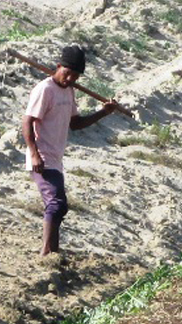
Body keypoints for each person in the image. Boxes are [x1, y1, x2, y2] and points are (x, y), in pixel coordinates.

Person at [22, 45, 122, 256]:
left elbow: (75, 124)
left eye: (75, 77)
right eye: (67, 74)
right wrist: (34, 153)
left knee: (59, 206)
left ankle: (53, 252)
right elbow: (28, 121)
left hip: (55, 158)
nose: (70, 80)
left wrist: (104, 112)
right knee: (57, 204)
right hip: (41, 156)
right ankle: (46, 254)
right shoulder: (44, 89)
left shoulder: (68, 91)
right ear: (58, 67)